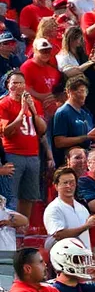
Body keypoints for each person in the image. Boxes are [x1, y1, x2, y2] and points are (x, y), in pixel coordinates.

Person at [0, 72, 47, 219]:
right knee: (11, 195)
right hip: (13, 153)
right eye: (14, 83)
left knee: (28, 196)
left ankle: (22, 229)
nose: (18, 86)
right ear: (8, 85)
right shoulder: (3, 104)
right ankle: (9, 230)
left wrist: (32, 111)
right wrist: (22, 112)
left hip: (32, 154)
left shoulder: (34, 103)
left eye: (21, 83)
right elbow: (6, 131)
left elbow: (42, 129)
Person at [44, 167, 95, 252]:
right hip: (64, 260)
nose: (69, 186)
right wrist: (86, 226)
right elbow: (59, 235)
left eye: (72, 182)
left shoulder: (82, 208)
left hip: (84, 258)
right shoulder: (53, 208)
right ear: (56, 186)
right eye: (65, 183)